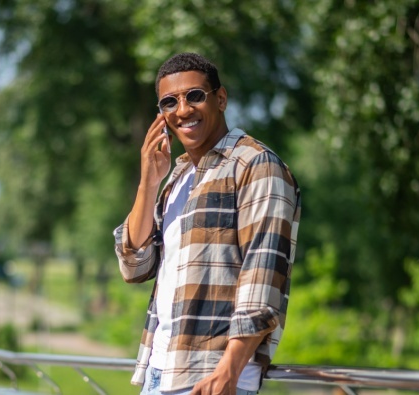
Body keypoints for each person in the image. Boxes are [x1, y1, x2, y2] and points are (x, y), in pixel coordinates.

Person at [113, 52, 301, 395]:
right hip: (159, 373)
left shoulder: (255, 166)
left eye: (194, 96)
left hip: (212, 378)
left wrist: (228, 372)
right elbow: (133, 265)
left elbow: (262, 277)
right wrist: (149, 181)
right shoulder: (178, 177)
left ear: (221, 98)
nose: (182, 110)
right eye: (169, 102)